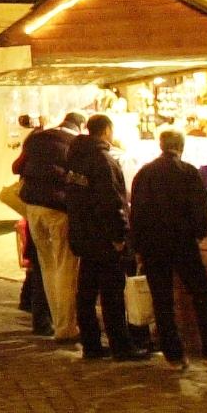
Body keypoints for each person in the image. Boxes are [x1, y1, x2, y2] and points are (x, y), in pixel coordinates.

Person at [130, 129, 207, 370]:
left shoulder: (144, 173)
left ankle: (174, 356)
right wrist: (198, 233)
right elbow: (201, 207)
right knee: (202, 294)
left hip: (153, 244)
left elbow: (136, 212)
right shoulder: (189, 172)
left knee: (162, 300)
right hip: (183, 243)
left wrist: (137, 246)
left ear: (161, 146)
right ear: (181, 147)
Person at [66, 115, 148, 362]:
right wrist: (120, 235)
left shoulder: (75, 159)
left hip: (83, 236)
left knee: (87, 293)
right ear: (107, 131)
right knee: (112, 293)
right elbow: (111, 202)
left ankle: (91, 344)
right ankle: (121, 346)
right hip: (103, 238)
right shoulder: (103, 161)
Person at [13, 112, 82, 341]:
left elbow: (17, 166)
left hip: (33, 206)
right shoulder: (74, 144)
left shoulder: (37, 138)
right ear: (80, 126)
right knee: (65, 267)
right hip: (57, 208)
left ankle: (57, 323)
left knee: (47, 267)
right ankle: (65, 327)